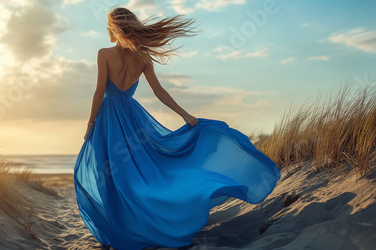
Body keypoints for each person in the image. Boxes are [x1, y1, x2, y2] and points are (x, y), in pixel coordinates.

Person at [74, 7, 280, 250]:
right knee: (135, 172)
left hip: (109, 120)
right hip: (131, 118)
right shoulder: (143, 57)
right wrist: (184, 114)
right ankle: (140, 223)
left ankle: (121, 229)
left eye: (108, 26)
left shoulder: (104, 53)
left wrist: (90, 124)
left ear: (115, 28)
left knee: (109, 174)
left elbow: (99, 93)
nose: (107, 31)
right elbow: (159, 92)